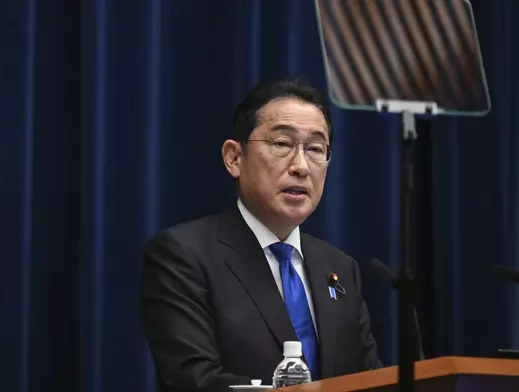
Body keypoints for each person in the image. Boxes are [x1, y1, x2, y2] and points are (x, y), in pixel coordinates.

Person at [139, 78, 383, 392]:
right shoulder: (183, 256)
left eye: (315, 149)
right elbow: (193, 381)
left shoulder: (339, 268)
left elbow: (371, 379)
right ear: (234, 158)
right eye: (282, 144)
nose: (301, 166)